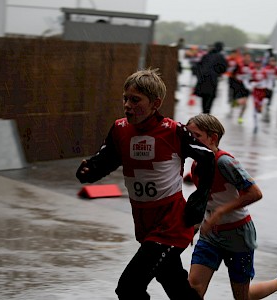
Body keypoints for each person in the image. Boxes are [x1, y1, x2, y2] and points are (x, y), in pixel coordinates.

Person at [76, 69, 216, 299]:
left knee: (129, 288)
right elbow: (107, 159)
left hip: (172, 224)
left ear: (155, 103)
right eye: (125, 98)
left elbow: (208, 157)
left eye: (135, 100)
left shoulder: (173, 131)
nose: (127, 105)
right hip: (144, 224)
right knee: (176, 287)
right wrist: (89, 171)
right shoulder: (120, 129)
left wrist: (199, 200)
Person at [186, 113, 277, 300]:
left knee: (243, 297)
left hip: (238, 235)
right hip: (210, 236)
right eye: (188, 136)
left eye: (196, 136)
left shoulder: (224, 162)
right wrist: (195, 226)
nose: (190, 141)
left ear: (213, 138)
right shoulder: (196, 164)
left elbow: (255, 193)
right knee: (194, 289)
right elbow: (206, 200)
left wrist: (220, 212)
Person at [194, 41, 228, 113]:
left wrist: (199, 76)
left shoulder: (206, 56)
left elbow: (198, 66)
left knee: (204, 98)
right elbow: (224, 68)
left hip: (202, 80)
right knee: (210, 98)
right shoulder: (220, 57)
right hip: (212, 80)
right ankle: (206, 114)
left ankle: (204, 113)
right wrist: (217, 73)